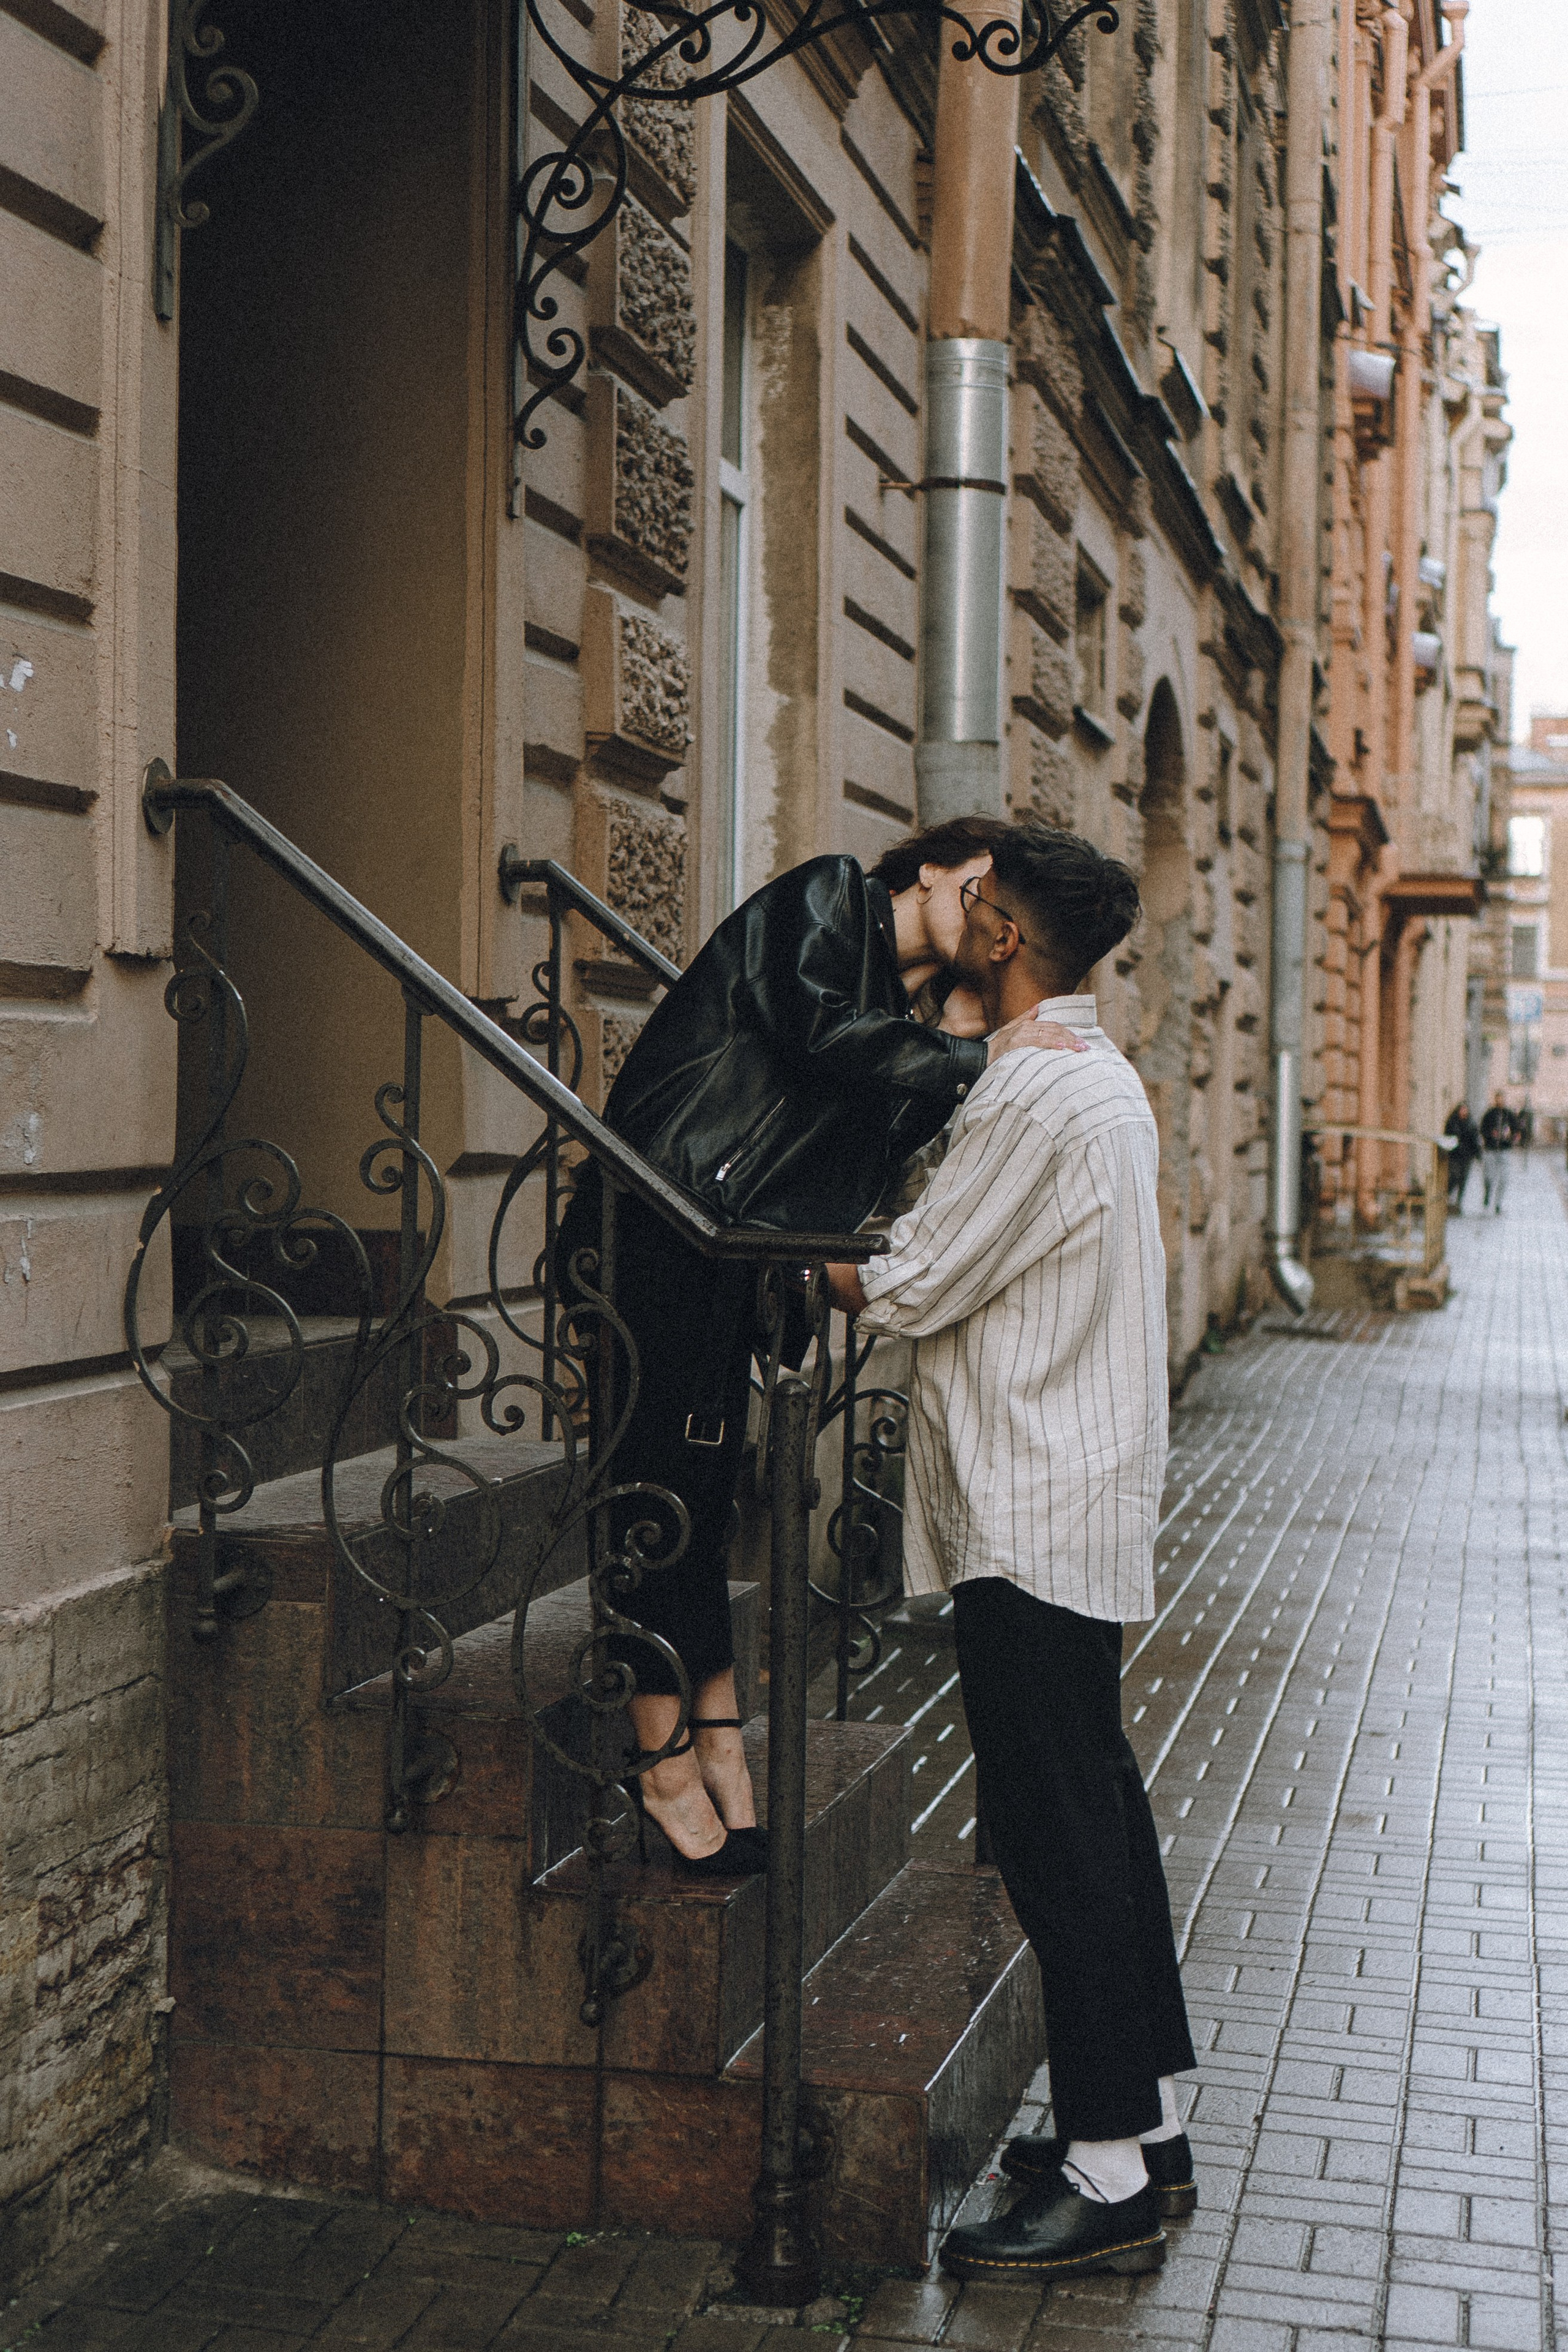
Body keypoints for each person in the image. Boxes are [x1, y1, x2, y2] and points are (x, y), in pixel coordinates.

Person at [557, 819, 1085, 1874]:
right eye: (976, 883)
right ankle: (660, 1763)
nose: (987, 913)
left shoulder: (904, 1017)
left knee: (702, 1507)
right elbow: (811, 1028)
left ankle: (719, 1744)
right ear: (927, 869)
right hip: (652, 1231)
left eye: (999, 906)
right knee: (649, 1498)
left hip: (725, 1256)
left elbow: (871, 1157)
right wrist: (975, 1052)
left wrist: (966, 1023)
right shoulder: (826, 902)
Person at [826, 823, 1195, 2286]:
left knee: (1051, 1832)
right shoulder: (1086, 1081)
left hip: (1031, 1510)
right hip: (1068, 1496)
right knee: (1094, 1807)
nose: (953, 911)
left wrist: (794, 1244)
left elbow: (910, 1282)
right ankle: (1147, 2121)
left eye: (974, 901)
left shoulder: (1038, 1094)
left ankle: (1104, 2167)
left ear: (1003, 939)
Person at [1480, 1093, 1516, 1213]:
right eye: (1498, 1099)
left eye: (1502, 1099)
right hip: (1490, 1150)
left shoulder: (1509, 1114)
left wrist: (1511, 1136)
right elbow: (1482, 1130)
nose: (1500, 1101)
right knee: (1489, 1177)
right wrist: (1491, 1134)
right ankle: (1488, 1193)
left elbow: (1517, 1129)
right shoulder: (1489, 1114)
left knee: (1504, 1178)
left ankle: (1498, 1203)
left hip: (1504, 1150)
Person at [1444, 1102, 1480, 1212]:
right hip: (1455, 1155)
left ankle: (1459, 1203)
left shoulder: (1471, 1123)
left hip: (1467, 1156)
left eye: (1465, 1110)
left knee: (1463, 1179)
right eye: (1462, 1110)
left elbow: (1475, 1140)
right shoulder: (1452, 1122)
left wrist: (1477, 1154)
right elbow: (1448, 1137)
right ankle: (1447, 1197)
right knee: (1454, 1176)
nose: (1463, 1112)